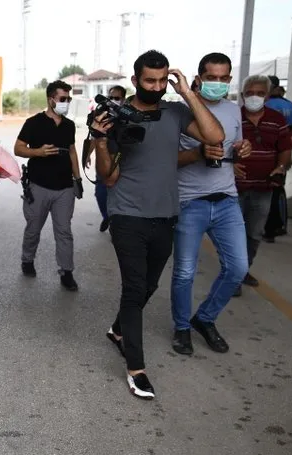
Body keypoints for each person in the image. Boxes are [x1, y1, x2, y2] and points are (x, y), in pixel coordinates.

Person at [91, 50, 224, 399]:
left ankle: (119, 330)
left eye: (163, 80)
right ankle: (136, 368)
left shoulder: (176, 111)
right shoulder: (117, 116)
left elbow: (214, 136)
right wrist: (101, 140)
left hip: (165, 214)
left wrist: (188, 94)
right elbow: (108, 177)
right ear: (135, 80)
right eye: (150, 80)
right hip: (128, 214)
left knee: (149, 285)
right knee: (135, 288)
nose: (157, 86)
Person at [171, 53, 251, 356]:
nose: (217, 83)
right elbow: (167, 162)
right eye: (211, 77)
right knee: (184, 272)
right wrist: (198, 153)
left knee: (237, 268)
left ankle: (204, 318)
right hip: (190, 201)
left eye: (223, 78)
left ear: (229, 80)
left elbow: (235, 147)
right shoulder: (180, 112)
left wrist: (243, 149)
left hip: (227, 200)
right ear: (199, 77)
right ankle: (181, 327)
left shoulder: (233, 111)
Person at [14, 80, 82, 290]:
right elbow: (18, 148)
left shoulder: (69, 125)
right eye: (63, 99)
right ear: (51, 98)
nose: (66, 103)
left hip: (64, 189)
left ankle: (66, 272)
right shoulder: (34, 123)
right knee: (33, 229)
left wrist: (77, 179)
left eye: (68, 99)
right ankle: (27, 260)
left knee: (64, 232)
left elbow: (71, 151)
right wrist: (38, 152)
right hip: (38, 186)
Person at [234, 75, 292, 296]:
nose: (254, 97)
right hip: (235, 188)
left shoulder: (277, 120)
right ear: (242, 95)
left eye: (260, 93)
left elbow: (285, 148)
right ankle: (234, 276)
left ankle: (242, 270)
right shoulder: (234, 117)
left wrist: (281, 166)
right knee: (233, 234)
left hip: (264, 188)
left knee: (254, 234)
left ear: (267, 96)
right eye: (250, 93)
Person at [262, 76, 292, 241]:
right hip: (284, 156)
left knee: (260, 191)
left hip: (264, 155)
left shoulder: (264, 105)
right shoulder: (291, 106)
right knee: (277, 189)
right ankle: (275, 228)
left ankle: (263, 227)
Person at [86, 85, 127, 232]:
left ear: (123, 100)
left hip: (121, 161)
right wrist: (87, 155)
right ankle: (106, 217)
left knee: (119, 195)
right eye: (111, 98)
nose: (113, 101)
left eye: (117, 98)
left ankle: (116, 223)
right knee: (101, 193)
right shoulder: (101, 115)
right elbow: (93, 136)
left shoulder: (127, 115)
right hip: (103, 161)